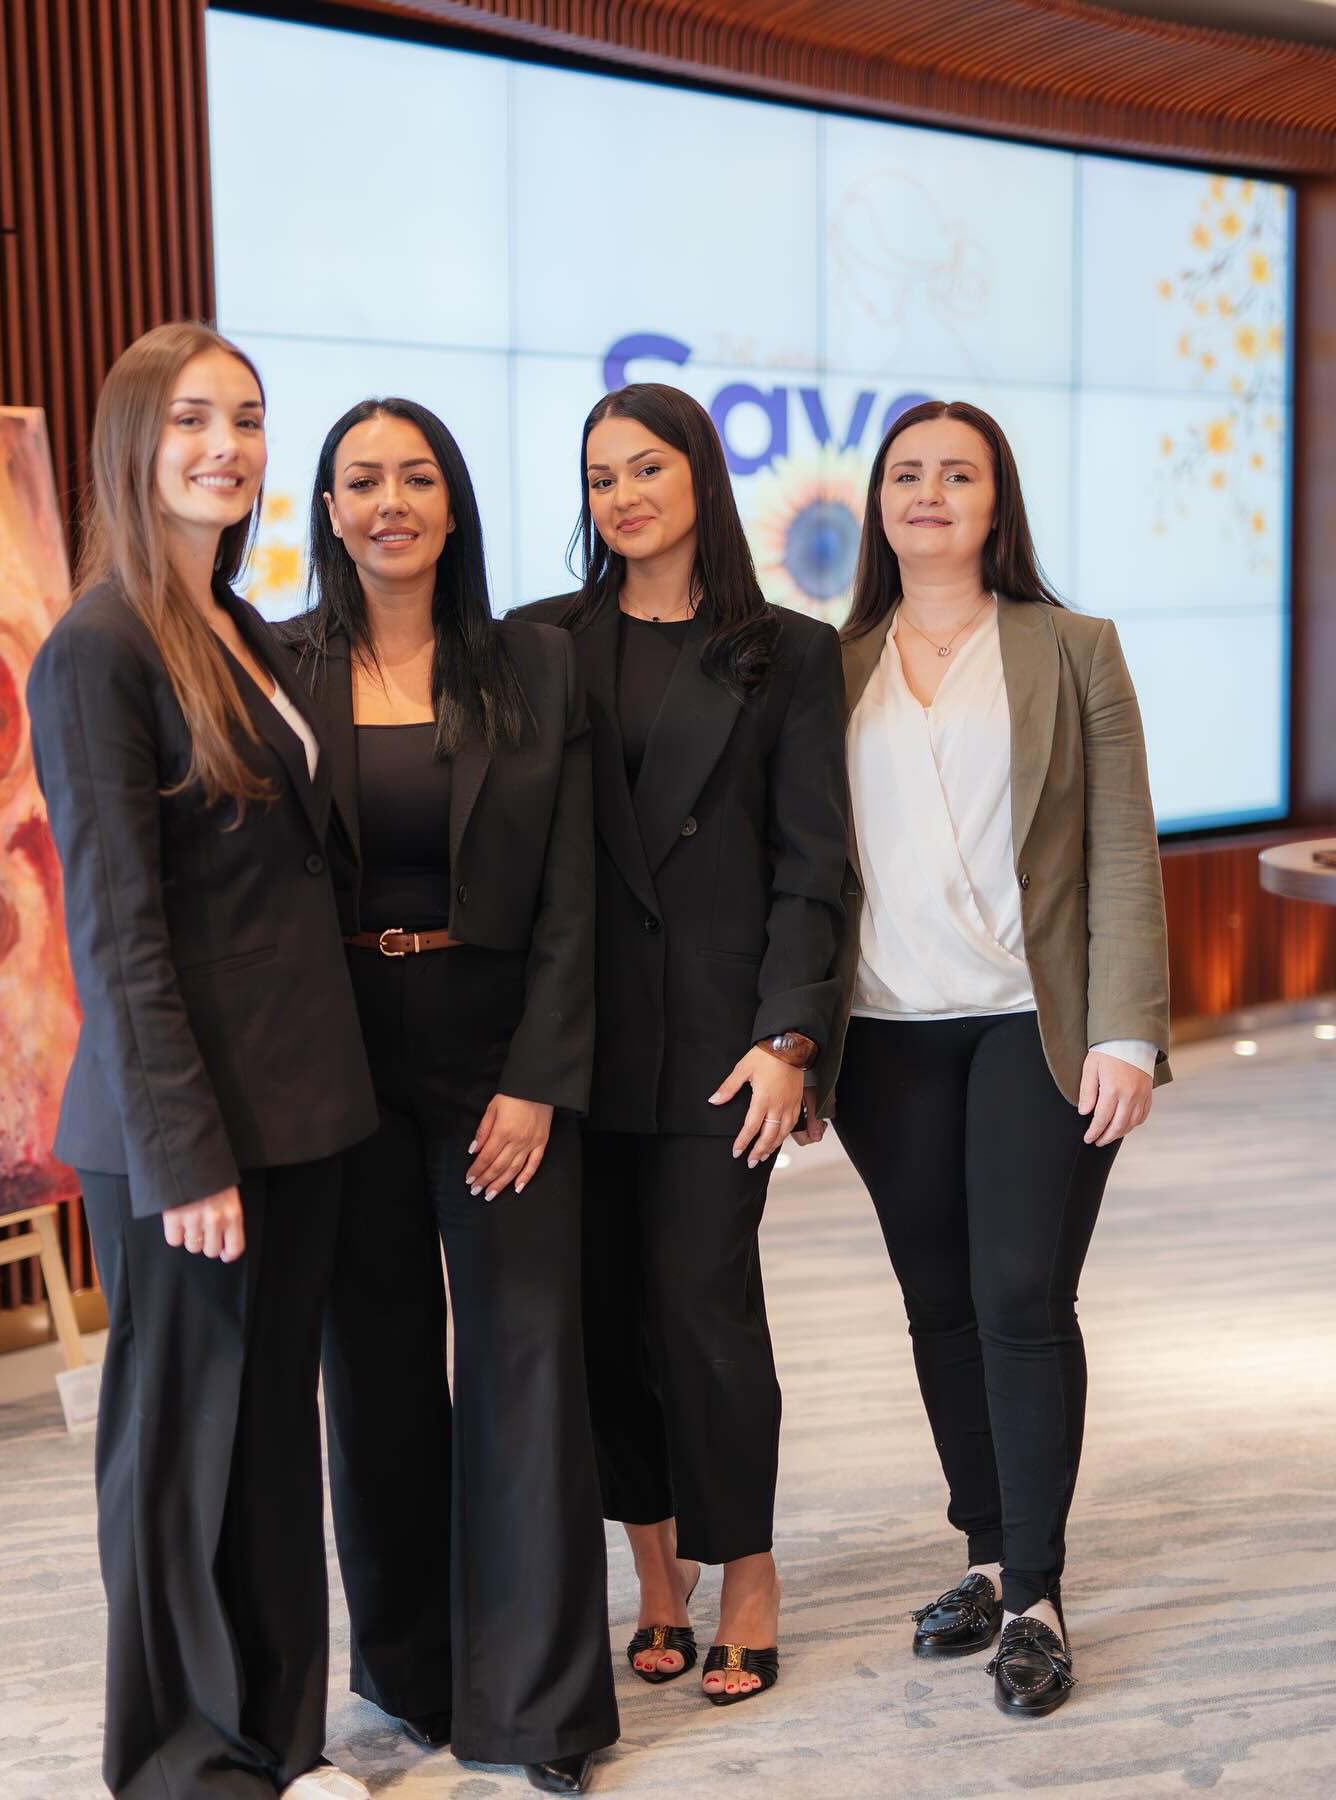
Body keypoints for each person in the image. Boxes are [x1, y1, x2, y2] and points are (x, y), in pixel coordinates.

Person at [26, 322, 377, 1798]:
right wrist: (185, 1157)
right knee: (179, 1459)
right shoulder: (96, 647)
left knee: (271, 1448)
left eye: (245, 417)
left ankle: (277, 1745)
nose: (226, 445)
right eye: (191, 419)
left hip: (299, 1113)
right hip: (187, 1135)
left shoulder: (237, 624)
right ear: (134, 441)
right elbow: (117, 928)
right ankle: (184, 1766)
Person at [280, 398, 618, 1796]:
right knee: (372, 1372)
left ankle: (540, 1708)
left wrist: (539, 1078)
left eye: (416, 477)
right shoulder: (276, 664)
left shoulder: (534, 665)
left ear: (454, 502)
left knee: (526, 1366)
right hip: (336, 1060)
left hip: (498, 1059)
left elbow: (573, 899)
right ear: (329, 509)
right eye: (362, 480)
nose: (391, 502)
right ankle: (413, 1675)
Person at [816, 398, 1170, 1716]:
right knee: (939, 1303)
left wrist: (1126, 1029)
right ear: (879, 504)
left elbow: (1123, 845)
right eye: (907, 472)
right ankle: (983, 1549)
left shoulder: (1073, 647)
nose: (930, 492)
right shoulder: (829, 666)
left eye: (958, 473)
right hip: (885, 1034)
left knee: (1020, 1294)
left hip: (1038, 1022)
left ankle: (1035, 1595)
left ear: (996, 500)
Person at [513, 383, 848, 1706]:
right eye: (601, 477)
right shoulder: (541, 642)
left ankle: (748, 1572)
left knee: (704, 1308)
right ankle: (656, 1579)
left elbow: (813, 861)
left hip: (722, 1044)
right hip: (577, 1044)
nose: (624, 496)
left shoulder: (788, 651)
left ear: (700, 474)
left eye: (647, 467)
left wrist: (791, 1035)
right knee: (602, 1318)